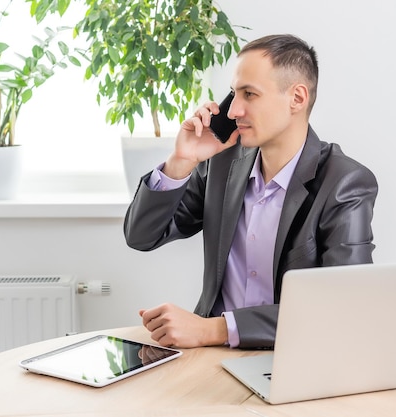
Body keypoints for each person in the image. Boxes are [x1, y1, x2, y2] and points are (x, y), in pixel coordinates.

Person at [124, 34, 378, 349]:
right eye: (234, 94)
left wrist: (211, 330)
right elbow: (142, 236)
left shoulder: (344, 182)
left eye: (250, 94)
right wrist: (181, 161)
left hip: (293, 357)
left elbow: (344, 308)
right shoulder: (222, 163)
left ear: (297, 98)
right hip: (211, 357)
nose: (233, 111)